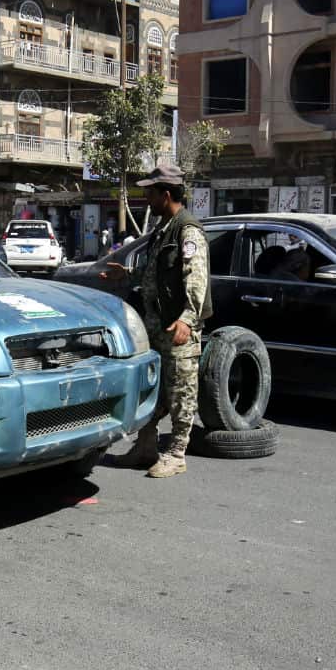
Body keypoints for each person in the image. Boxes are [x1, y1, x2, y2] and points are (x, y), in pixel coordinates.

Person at [101, 164, 212, 478]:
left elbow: (196, 280)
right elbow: (158, 273)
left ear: (166, 195)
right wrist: (128, 274)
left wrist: (188, 320)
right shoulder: (163, 229)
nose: (146, 198)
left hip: (177, 326)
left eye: (150, 193)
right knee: (151, 388)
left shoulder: (187, 230)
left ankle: (176, 453)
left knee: (181, 391)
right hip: (155, 324)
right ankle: (145, 447)